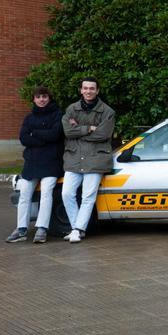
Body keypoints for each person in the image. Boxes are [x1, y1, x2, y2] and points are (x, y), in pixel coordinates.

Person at [6, 86, 64, 244]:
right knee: (24, 194)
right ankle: (21, 229)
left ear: (49, 98)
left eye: (45, 96)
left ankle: (42, 229)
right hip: (31, 163)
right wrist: (43, 138)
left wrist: (35, 133)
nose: (42, 99)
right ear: (34, 99)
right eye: (38, 97)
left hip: (51, 162)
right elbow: (24, 138)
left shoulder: (58, 114)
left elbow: (55, 134)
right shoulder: (29, 117)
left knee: (46, 194)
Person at [60, 77, 115, 243]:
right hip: (74, 158)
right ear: (81, 90)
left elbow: (103, 134)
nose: (88, 91)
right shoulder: (71, 109)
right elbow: (68, 131)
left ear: (97, 91)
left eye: (92, 88)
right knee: (67, 193)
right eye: (85, 88)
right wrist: (89, 129)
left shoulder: (107, 111)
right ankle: (77, 227)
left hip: (96, 159)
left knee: (88, 196)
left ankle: (77, 230)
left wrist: (79, 131)